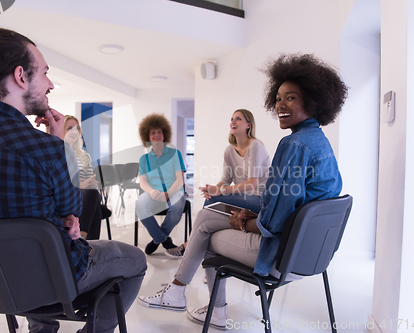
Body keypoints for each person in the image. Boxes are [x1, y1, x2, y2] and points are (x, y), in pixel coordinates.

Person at [0, 28, 147, 333]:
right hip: (49, 282)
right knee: (135, 260)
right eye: (45, 73)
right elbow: (73, 208)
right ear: (21, 76)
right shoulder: (45, 149)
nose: (49, 84)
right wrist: (58, 145)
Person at [137, 53, 347, 330]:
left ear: (314, 99)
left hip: (279, 254)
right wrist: (248, 212)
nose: (280, 104)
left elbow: (274, 221)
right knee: (207, 217)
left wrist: (245, 223)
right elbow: (292, 204)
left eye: (291, 97)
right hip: (312, 255)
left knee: (207, 235)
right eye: (279, 98)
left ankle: (208, 306)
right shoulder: (319, 142)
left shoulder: (294, 145)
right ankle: (178, 291)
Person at [165, 109, 271, 259]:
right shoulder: (229, 150)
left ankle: (188, 246)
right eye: (232, 118)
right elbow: (225, 180)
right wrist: (213, 189)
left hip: (261, 199)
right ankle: (207, 257)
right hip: (243, 198)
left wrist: (220, 190)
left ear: (248, 125)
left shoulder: (255, 146)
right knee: (210, 200)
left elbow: (251, 185)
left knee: (213, 199)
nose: (233, 121)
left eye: (238, 119)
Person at [135, 113, 187, 255]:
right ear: (148, 136)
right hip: (153, 192)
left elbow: (180, 179)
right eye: (153, 133)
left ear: (165, 135)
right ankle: (164, 240)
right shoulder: (144, 159)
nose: (157, 135)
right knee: (140, 205)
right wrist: (151, 191)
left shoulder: (175, 154)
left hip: (174, 191)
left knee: (177, 207)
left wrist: (168, 193)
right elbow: (143, 181)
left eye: (159, 132)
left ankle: (156, 240)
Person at [64, 115, 103, 240]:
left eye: (76, 128)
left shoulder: (84, 155)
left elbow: (89, 178)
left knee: (92, 192)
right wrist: (80, 185)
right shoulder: (57, 153)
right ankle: (87, 242)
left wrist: (91, 183)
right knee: (96, 208)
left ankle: (82, 239)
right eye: (69, 128)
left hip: (86, 195)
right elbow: (58, 183)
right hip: (67, 196)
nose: (73, 131)